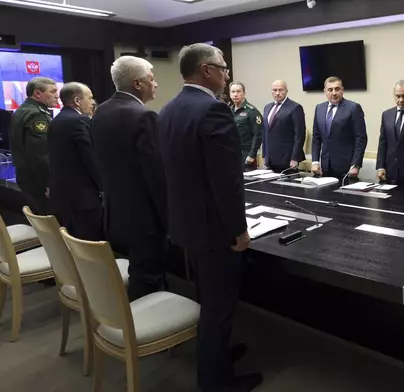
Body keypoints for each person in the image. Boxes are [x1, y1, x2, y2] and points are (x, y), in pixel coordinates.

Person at [158, 44, 261, 392]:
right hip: (216, 232)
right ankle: (217, 382)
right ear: (206, 70)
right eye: (223, 67)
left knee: (208, 300)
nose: (227, 74)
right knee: (218, 309)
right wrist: (239, 230)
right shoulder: (214, 111)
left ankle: (215, 356)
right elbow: (226, 181)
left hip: (186, 225)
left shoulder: (169, 109)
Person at [91, 56, 167, 301]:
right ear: (137, 84)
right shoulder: (144, 117)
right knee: (147, 279)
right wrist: (171, 219)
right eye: (152, 79)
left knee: (140, 273)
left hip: (115, 213)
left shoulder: (101, 111)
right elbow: (157, 177)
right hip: (143, 219)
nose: (155, 85)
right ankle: (143, 333)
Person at [48, 82, 103, 240]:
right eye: (90, 98)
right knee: (90, 244)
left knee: (73, 243)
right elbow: (91, 159)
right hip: (83, 199)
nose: (92, 102)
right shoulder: (80, 122)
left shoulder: (55, 121)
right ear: (77, 101)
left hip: (62, 196)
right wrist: (104, 187)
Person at [10, 77, 59, 214]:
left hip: (26, 176)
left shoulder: (23, 109)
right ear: (37, 93)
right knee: (50, 220)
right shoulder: (36, 114)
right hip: (38, 181)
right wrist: (49, 183)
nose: (57, 95)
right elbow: (41, 154)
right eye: (53, 91)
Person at [311, 76, 367, 178]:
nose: (334, 93)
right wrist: (315, 161)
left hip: (346, 166)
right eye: (330, 90)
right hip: (325, 166)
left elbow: (361, 139)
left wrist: (356, 165)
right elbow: (316, 137)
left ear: (342, 90)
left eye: (337, 89)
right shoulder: (319, 108)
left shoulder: (353, 108)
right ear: (325, 92)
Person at [262, 80, 305, 173]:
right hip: (270, 159)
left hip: (287, 159)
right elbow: (265, 132)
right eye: (275, 90)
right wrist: (264, 155)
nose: (277, 93)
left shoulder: (295, 107)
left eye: (280, 90)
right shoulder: (267, 107)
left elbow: (299, 135)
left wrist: (295, 158)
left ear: (286, 91)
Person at [229, 81, 263, 168]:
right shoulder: (229, 110)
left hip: (246, 154)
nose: (235, 94)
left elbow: (258, 134)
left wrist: (252, 154)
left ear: (244, 93)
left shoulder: (252, 111)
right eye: (233, 92)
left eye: (238, 91)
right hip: (231, 152)